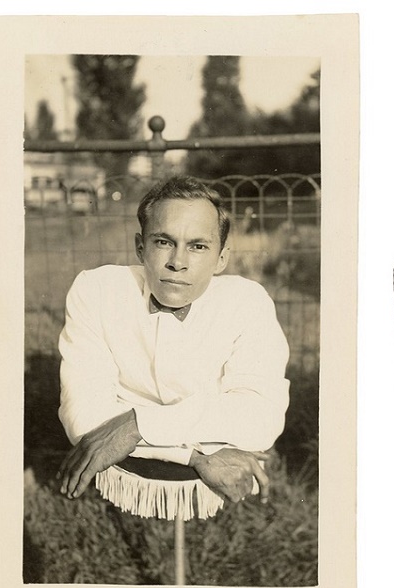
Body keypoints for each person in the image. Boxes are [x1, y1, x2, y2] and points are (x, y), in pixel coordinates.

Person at [56, 176, 290, 506]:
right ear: (141, 247)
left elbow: (257, 420)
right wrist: (194, 456)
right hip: (187, 455)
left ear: (221, 258)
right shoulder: (96, 291)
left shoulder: (249, 302)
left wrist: (135, 425)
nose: (178, 262)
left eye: (197, 246)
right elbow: (86, 421)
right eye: (164, 242)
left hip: (137, 443)